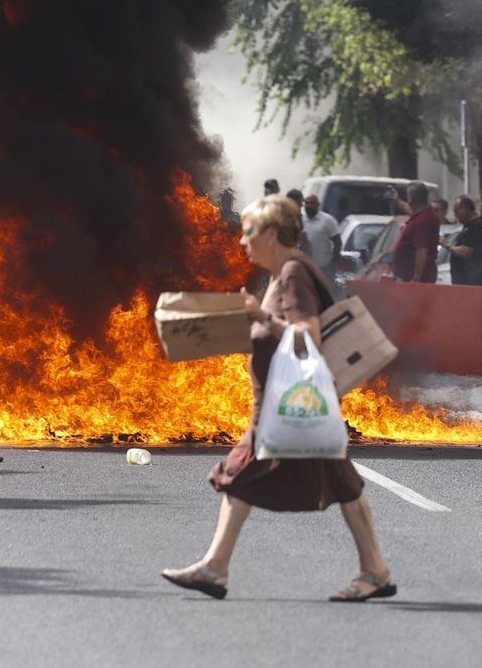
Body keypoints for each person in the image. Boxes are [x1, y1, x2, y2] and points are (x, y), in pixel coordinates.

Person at [162, 194, 394, 602]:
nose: (242, 241)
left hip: (291, 404)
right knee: (340, 483)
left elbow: (308, 336)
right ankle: (373, 570)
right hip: (291, 405)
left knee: (242, 474)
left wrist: (261, 317)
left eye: (248, 232)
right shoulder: (287, 271)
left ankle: (216, 569)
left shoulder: (291, 275)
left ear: (271, 234)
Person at [390, 182, 439, 283]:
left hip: (416, 278)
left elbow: (421, 251)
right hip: (407, 276)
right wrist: (397, 200)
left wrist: (416, 278)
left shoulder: (424, 220)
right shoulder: (422, 214)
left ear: (411, 199)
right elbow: (410, 209)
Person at [299, 194, 342, 286]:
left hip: (324, 266)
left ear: (318, 205)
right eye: (307, 203)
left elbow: (337, 241)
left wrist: (334, 260)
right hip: (305, 266)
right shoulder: (300, 220)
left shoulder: (327, 220)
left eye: (312, 203)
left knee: (325, 291)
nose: (309, 205)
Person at [442, 195, 482, 286]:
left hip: (471, 282)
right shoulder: (467, 227)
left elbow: (466, 252)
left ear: (466, 209)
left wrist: (447, 244)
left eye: (457, 211)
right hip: (463, 281)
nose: (455, 215)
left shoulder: (476, 227)